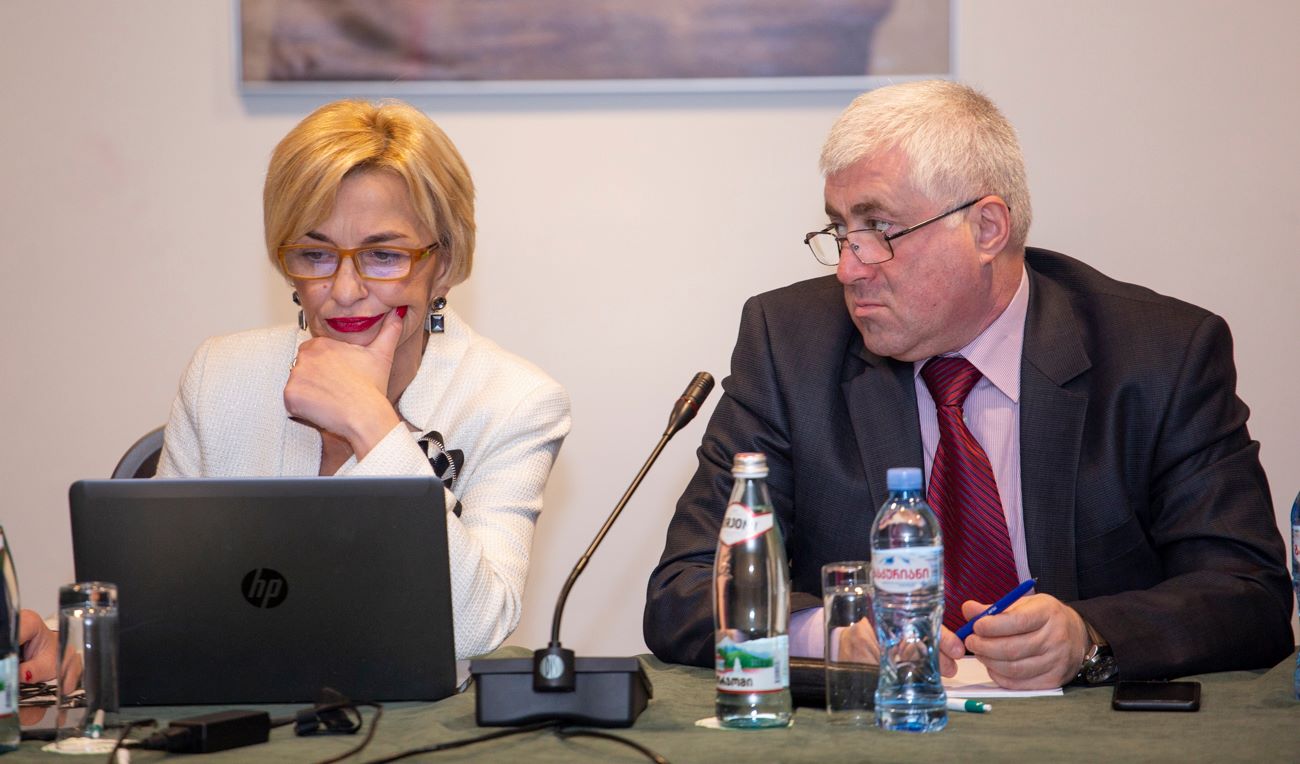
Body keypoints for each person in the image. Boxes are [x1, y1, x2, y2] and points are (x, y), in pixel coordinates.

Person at [644, 80, 1292, 689]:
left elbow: (1247, 593)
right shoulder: (790, 345)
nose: (848, 267)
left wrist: (1090, 636)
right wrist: (832, 632)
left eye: (879, 229)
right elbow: (686, 589)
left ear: (986, 228)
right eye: (841, 230)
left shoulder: (1159, 355)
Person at [157, 100, 571, 659]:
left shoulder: (515, 402)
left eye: (382, 255)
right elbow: (162, 606)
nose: (346, 290)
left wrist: (373, 425)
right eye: (315, 254)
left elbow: (474, 628)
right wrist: (76, 646)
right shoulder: (221, 375)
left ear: (444, 265)